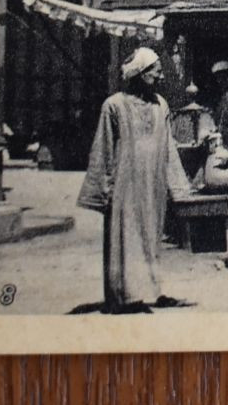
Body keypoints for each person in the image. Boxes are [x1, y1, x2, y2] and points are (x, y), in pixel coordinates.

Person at [76, 47, 193, 312]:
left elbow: (168, 147)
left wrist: (178, 186)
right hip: (124, 187)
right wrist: (102, 190)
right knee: (125, 238)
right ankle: (124, 296)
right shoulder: (114, 105)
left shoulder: (160, 105)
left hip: (153, 185)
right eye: (156, 71)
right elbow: (103, 149)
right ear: (140, 73)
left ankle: (151, 291)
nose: (160, 77)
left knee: (151, 236)